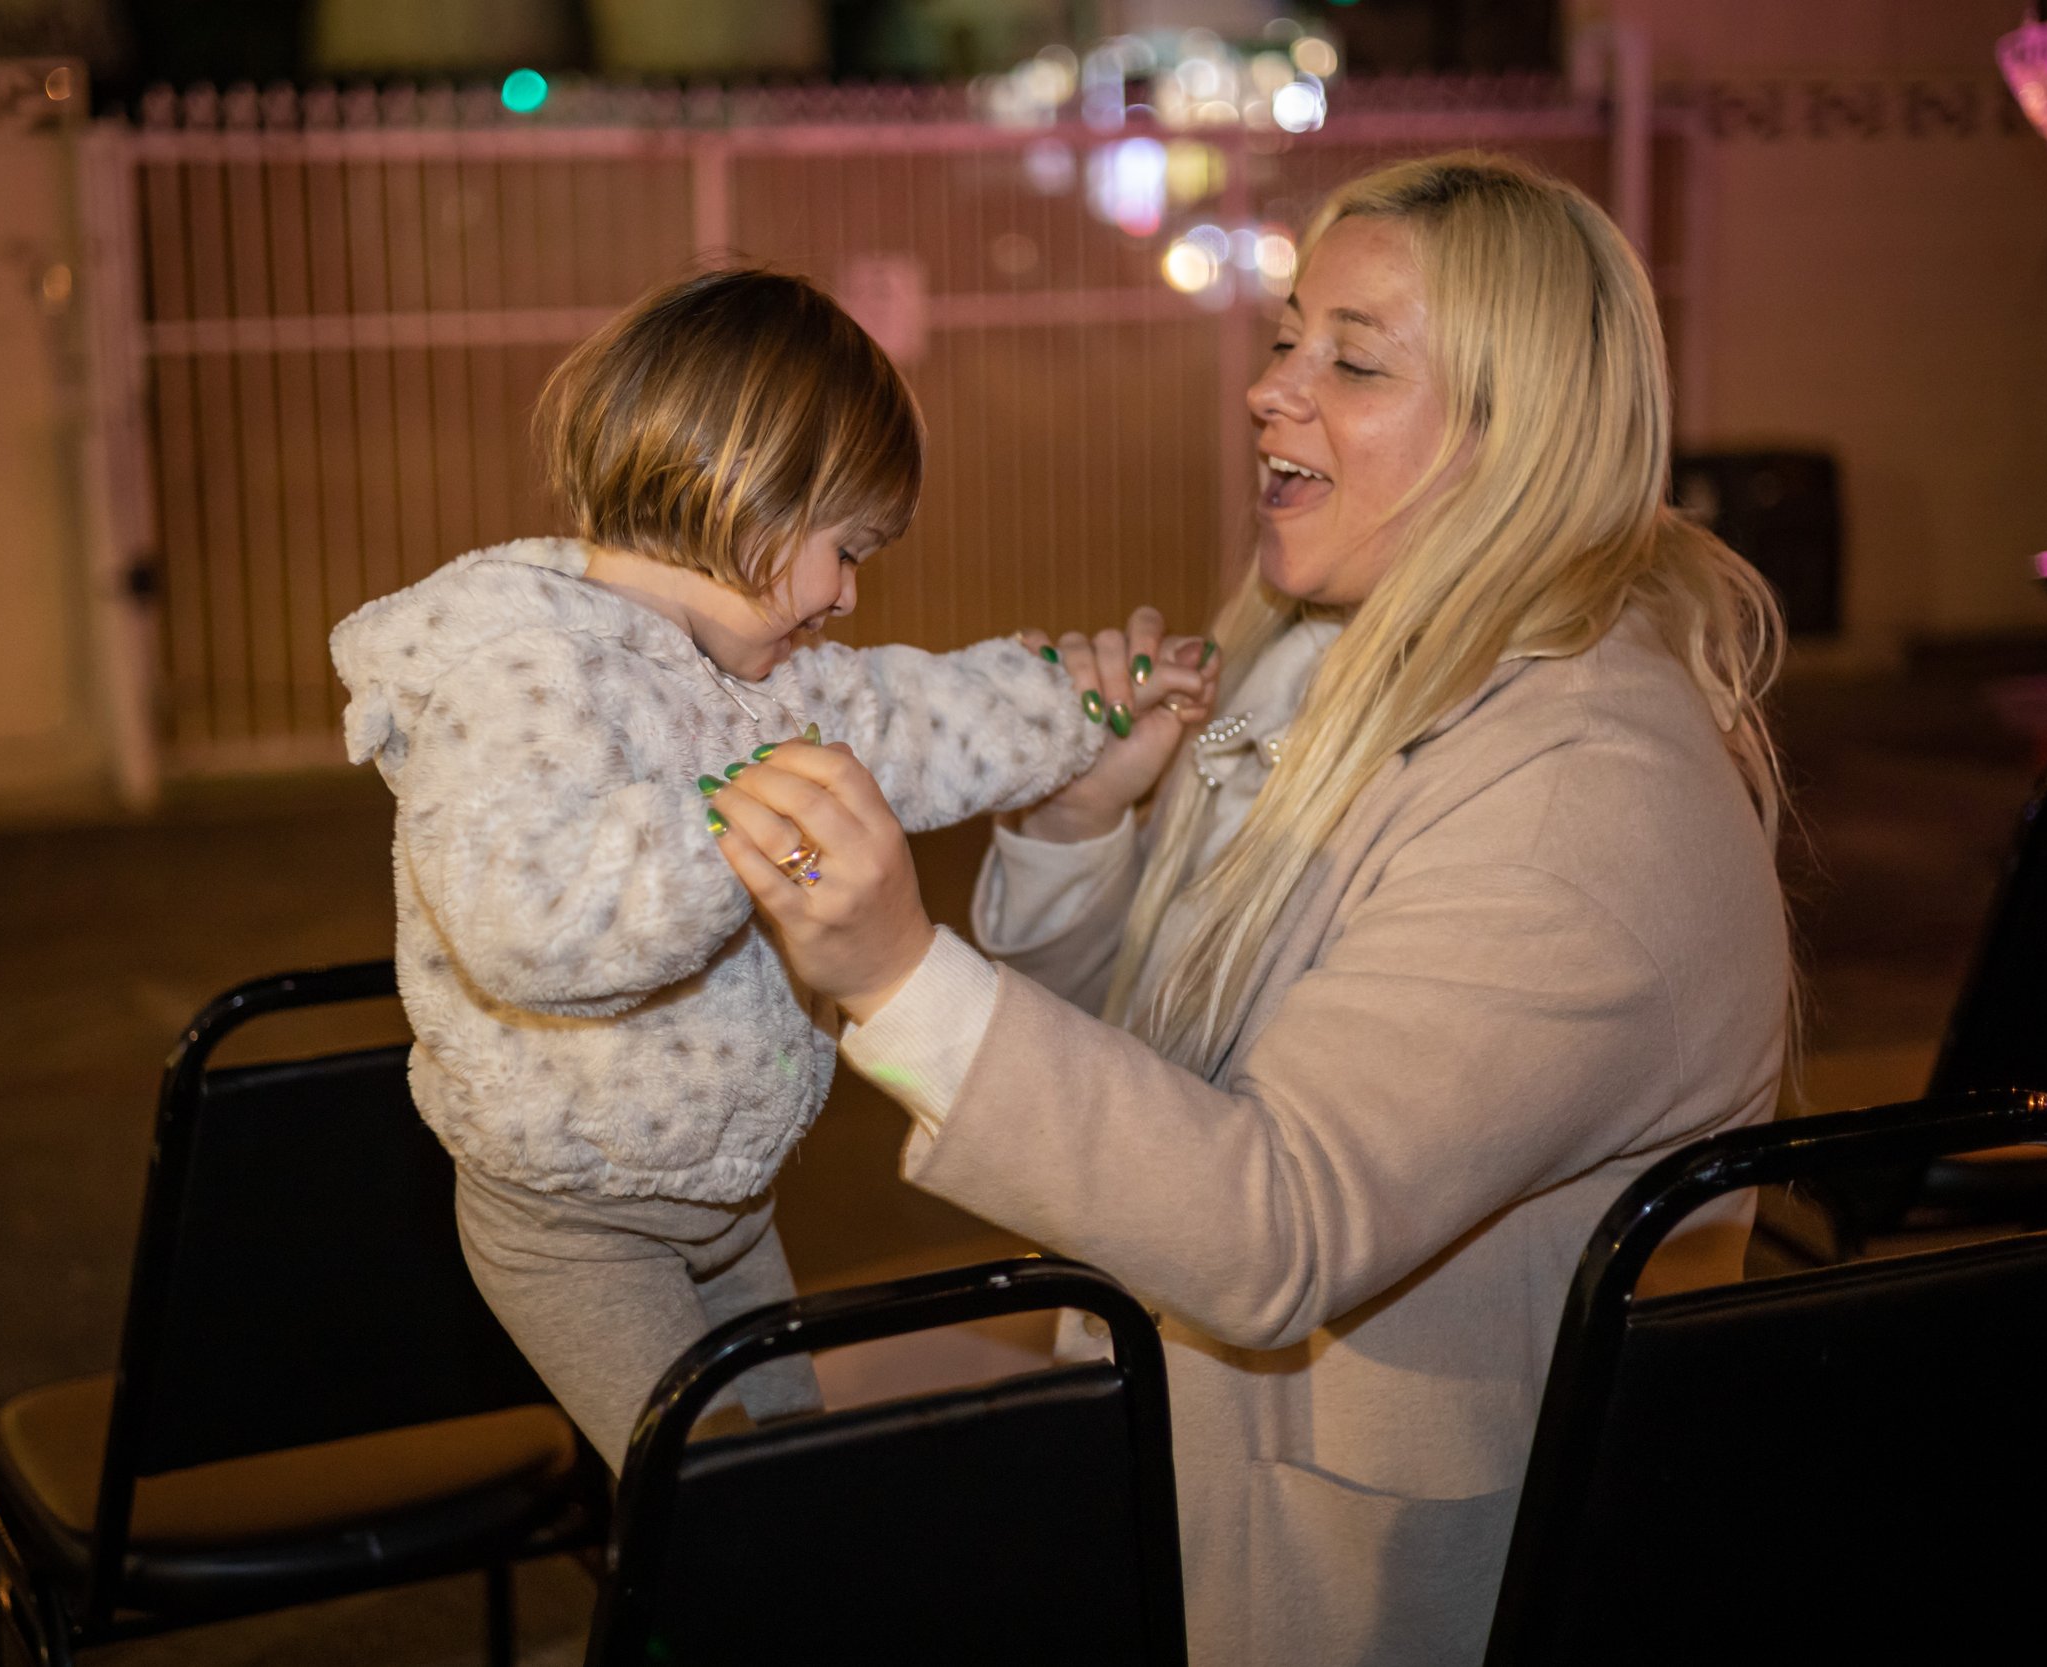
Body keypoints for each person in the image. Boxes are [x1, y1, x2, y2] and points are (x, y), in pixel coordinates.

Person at [707, 154, 1790, 1663]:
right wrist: (1086, 829)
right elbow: (1129, 1075)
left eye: (1353, 360)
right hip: (1184, 1421)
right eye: (1290, 337)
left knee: (744, 1519)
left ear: (1518, 438)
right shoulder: (1304, 661)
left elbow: (1267, 1223)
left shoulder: (1576, 805)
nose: (1271, 390)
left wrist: (897, 973)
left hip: (1361, 1562)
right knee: (718, 1461)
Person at [327, 267, 1219, 1472]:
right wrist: (743, 823)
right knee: (712, 1501)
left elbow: (924, 711)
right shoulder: (522, 668)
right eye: (845, 548)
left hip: (729, 1193)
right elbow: (527, 923)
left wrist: (1087, 700)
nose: (851, 595)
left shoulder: (770, 670)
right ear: (745, 493)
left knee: (785, 1475)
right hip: (575, 1216)